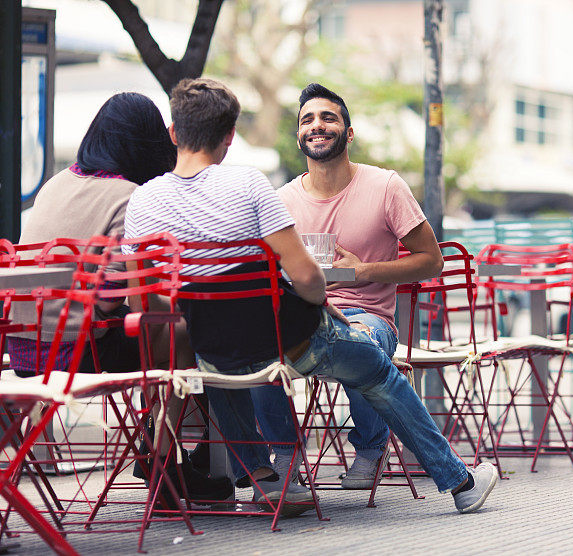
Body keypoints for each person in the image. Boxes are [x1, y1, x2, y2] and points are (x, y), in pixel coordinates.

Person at [122, 77, 498, 515]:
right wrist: (321, 300)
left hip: (213, 348)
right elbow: (307, 277)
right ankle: (459, 482)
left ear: (173, 133)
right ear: (229, 137)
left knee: (227, 368)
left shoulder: (143, 202)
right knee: (376, 370)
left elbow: (141, 303)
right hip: (291, 337)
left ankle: (272, 482)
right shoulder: (249, 186)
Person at [6, 92, 232, 504]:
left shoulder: (54, 184)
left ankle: (163, 451)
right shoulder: (130, 197)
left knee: (167, 333)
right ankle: (166, 463)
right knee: (186, 334)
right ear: (148, 145)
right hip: (75, 354)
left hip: (23, 353)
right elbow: (112, 299)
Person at [258, 83, 443, 490]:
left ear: (349, 132)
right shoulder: (281, 199)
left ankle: (371, 450)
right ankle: (285, 455)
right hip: (305, 315)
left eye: (328, 117)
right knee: (258, 347)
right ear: (299, 135)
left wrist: (363, 272)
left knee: (363, 339)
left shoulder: (386, 186)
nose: (317, 125)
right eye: (308, 119)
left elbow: (432, 261)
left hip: (367, 315)